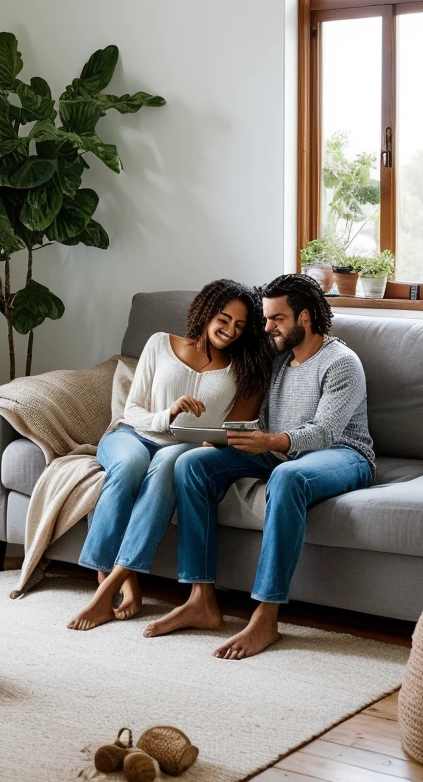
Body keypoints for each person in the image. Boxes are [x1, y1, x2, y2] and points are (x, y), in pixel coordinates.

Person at [144, 273, 375, 658]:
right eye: (265, 319)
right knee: (192, 465)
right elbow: (268, 423)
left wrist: (270, 442)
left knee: (286, 477)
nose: (266, 327)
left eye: (276, 319)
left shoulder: (342, 363)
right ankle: (201, 600)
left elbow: (325, 431)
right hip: (282, 450)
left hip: (344, 454)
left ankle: (266, 617)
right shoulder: (281, 362)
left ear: (304, 318)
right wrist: (233, 437)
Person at [67, 279, 275, 631]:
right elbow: (132, 409)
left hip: (181, 448)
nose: (230, 330)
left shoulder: (244, 369)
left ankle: (111, 588)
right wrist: (169, 414)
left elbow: (236, 429)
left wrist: (215, 443)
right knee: (132, 464)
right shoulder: (160, 343)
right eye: (224, 319)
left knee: (166, 467)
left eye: (239, 326)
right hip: (131, 434)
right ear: (207, 313)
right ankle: (113, 580)